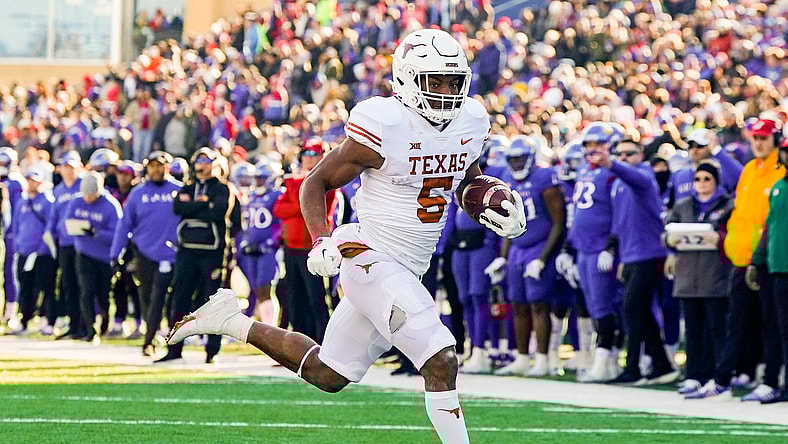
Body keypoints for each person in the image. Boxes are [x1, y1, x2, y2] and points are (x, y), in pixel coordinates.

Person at [165, 29, 525, 444]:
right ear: (407, 79)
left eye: (452, 82)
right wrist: (321, 239)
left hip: (410, 265)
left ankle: (228, 321)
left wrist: (490, 202)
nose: (445, 92)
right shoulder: (386, 125)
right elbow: (313, 183)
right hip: (370, 256)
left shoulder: (471, 120)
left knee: (328, 373)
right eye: (434, 81)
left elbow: (462, 180)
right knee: (440, 357)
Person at [690, 118, 786, 400]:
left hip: (768, 259)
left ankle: (769, 380)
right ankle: (723, 380)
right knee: (736, 322)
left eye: (764, 138)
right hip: (740, 257)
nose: (758, 143)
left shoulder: (779, 172)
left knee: (770, 323)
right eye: (755, 138)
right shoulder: (748, 170)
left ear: (776, 140)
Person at [488, 135, 566, 377]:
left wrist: (543, 258)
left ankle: (543, 358)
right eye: (513, 159)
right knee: (518, 305)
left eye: (521, 159)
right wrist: (503, 256)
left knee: (539, 306)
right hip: (517, 249)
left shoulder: (544, 178)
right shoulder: (508, 179)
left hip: (538, 246)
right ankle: (522, 357)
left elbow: (559, 222)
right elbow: (508, 224)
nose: (517, 164)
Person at [603, 138, 678, 386]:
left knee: (633, 308)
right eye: (620, 154)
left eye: (630, 153)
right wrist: (620, 254)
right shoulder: (618, 185)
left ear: (641, 154)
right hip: (633, 253)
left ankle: (633, 367)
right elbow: (620, 221)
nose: (624, 157)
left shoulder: (644, 176)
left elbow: (634, 177)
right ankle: (661, 365)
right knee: (640, 310)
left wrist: (611, 163)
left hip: (650, 252)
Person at [156, 147, 233, 364]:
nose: (202, 165)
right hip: (186, 251)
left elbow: (218, 211)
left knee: (212, 301)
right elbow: (179, 208)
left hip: (212, 252)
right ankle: (174, 348)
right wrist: (201, 203)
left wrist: (194, 206)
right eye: (199, 160)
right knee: (179, 299)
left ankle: (212, 351)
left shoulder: (222, 189)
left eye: (207, 160)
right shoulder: (187, 188)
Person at [663, 161, 733, 396]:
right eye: (698, 179)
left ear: (716, 181)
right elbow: (666, 232)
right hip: (687, 275)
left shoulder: (727, 205)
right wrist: (669, 242)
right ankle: (693, 374)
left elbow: (733, 235)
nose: (702, 184)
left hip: (715, 275)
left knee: (716, 329)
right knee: (692, 330)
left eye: (707, 179)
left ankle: (718, 375)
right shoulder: (683, 205)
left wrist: (720, 239)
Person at [110, 151, 181, 356]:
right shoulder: (138, 193)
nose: (156, 170)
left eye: (160, 165)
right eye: (152, 166)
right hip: (145, 253)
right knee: (148, 297)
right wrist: (116, 253)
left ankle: (172, 338)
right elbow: (125, 224)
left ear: (167, 166)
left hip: (174, 253)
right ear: (146, 168)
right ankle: (151, 337)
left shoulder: (179, 191)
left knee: (173, 300)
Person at [273, 137, 336, 343]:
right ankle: (300, 346)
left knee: (316, 298)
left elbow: (307, 205)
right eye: (306, 154)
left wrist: (296, 194)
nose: (309, 158)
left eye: (314, 154)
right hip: (292, 246)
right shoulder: (293, 181)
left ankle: (325, 343)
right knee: (295, 298)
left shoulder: (329, 180)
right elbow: (279, 209)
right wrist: (297, 202)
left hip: (313, 246)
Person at [749, 139, 788, 404]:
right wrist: (756, 260)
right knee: (777, 326)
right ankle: (774, 382)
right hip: (777, 267)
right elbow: (768, 227)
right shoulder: (778, 187)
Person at [63, 172, 123, 342]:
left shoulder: (110, 205)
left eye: (92, 195)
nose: (88, 199)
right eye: (86, 195)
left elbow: (117, 234)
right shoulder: (76, 201)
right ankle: (91, 329)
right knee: (86, 292)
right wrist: (77, 227)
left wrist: (96, 232)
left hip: (104, 257)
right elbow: (66, 225)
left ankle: (105, 319)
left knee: (104, 294)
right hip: (84, 253)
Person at [7, 169, 56, 335]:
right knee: (25, 287)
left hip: (42, 253)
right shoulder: (22, 202)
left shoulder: (48, 201)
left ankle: (47, 320)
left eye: (34, 180)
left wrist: (42, 248)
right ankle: (24, 320)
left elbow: (51, 226)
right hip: (25, 252)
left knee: (46, 287)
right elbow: (16, 225)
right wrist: (18, 245)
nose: (31, 183)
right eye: (29, 180)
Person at [48, 151, 85, 339]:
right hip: (64, 243)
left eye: (72, 168)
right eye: (66, 167)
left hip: (82, 242)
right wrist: (50, 232)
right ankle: (73, 323)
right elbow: (53, 216)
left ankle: (86, 325)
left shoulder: (84, 186)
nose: (69, 171)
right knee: (68, 284)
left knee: (84, 286)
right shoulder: (58, 190)